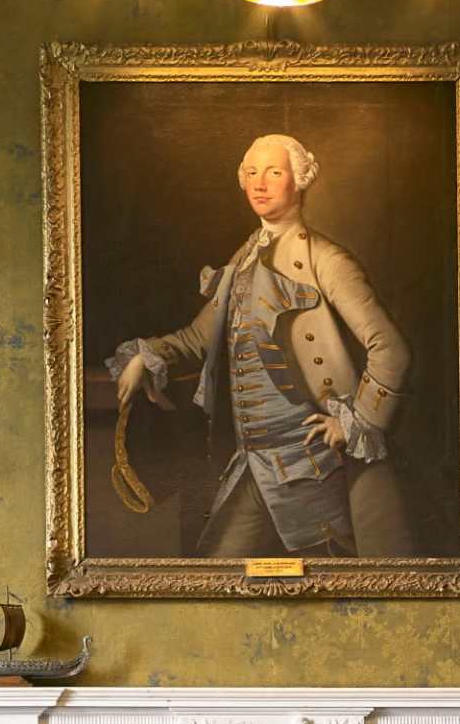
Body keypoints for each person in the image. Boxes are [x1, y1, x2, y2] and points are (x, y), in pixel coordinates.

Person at [111, 132, 410, 557]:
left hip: (318, 463)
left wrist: (355, 421)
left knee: (332, 581)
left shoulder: (326, 260)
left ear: (299, 180)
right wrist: (146, 355)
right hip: (254, 461)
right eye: (251, 173)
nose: (260, 183)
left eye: (273, 172)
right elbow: (198, 337)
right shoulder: (243, 262)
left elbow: (390, 349)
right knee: (220, 574)